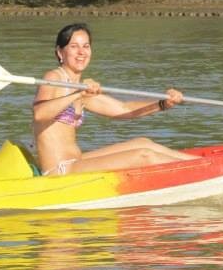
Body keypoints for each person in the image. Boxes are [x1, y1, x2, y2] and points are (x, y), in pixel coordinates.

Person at [32, 23, 197, 175]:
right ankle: (199, 173)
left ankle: (204, 165)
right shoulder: (53, 77)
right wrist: (78, 94)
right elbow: (39, 114)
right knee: (144, 156)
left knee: (143, 143)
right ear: (60, 52)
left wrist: (163, 103)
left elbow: (124, 109)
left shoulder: (81, 88)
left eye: (86, 46)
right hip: (60, 171)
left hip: (78, 161)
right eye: (74, 46)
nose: (81, 52)